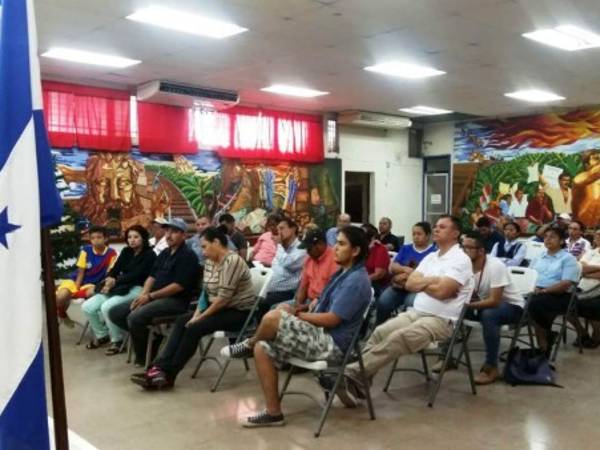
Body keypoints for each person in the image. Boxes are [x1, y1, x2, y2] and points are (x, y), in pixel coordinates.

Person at [220, 226, 371, 428]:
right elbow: (318, 304)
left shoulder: (355, 280)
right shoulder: (343, 273)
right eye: (336, 242)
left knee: (273, 317)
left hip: (332, 344)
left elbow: (332, 320)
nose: (335, 247)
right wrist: (299, 308)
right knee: (262, 347)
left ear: (356, 250)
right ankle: (274, 413)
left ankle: (248, 343)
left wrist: (296, 315)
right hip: (320, 335)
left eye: (342, 244)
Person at [340, 215, 473, 403]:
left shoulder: (461, 260)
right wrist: (433, 280)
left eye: (442, 227)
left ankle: (353, 372)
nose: (436, 229)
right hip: (416, 313)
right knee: (380, 332)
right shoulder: (431, 257)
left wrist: (423, 283)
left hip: (441, 320)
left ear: (455, 233)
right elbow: (410, 283)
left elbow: (443, 292)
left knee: (399, 337)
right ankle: (362, 379)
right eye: (436, 226)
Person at [131, 227, 255, 389]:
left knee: (194, 327)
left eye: (204, 246)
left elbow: (223, 300)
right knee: (182, 321)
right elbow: (205, 294)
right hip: (218, 309)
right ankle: (157, 369)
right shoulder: (210, 262)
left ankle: (168, 375)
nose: (203, 252)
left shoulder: (232, 261)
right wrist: (196, 314)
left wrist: (200, 318)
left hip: (238, 313)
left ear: (216, 242)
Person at [107, 218, 199, 366]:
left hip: (176, 301)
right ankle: (154, 337)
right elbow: (152, 276)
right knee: (115, 312)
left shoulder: (188, 256)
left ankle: (145, 357)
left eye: (174, 232)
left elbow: (178, 286)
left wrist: (150, 297)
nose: (168, 235)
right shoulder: (165, 253)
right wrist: (143, 294)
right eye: (167, 231)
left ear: (184, 235)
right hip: (154, 297)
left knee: (135, 317)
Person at [462, 231, 524, 384]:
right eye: (463, 247)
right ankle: (447, 356)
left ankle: (491, 367)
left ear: (481, 251)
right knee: (448, 308)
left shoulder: (496, 266)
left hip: (512, 307)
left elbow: (495, 301)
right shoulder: (463, 265)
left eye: (469, 248)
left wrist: (467, 305)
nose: (464, 251)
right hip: (483, 305)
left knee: (489, 314)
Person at [81, 225, 156, 354]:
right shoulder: (127, 251)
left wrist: (115, 281)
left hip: (138, 288)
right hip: (120, 287)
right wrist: (110, 278)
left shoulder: (150, 254)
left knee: (107, 307)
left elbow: (137, 275)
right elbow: (115, 268)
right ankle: (102, 336)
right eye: (129, 237)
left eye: (136, 237)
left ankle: (117, 340)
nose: (132, 240)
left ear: (143, 238)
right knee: (87, 306)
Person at [527, 225, 580, 356]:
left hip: (560, 295)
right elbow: (529, 275)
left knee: (534, 304)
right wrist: (532, 287)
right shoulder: (539, 256)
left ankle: (543, 343)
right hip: (537, 292)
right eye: (545, 237)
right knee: (528, 302)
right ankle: (546, 338)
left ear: (561, 241)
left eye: (552, 237)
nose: (547, 239)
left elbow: (565, 284)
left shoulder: (568, 259)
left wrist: (544, 290)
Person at [55, 225, 117, 328]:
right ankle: (63, 315)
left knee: (93, 294)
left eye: (99, 237)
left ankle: (99, 325)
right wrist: (76, 288)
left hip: (92, 283)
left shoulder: (111, 253)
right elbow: (81, 271)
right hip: (76, 280)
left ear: (105, 238)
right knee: (61, 296)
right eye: (92, 238)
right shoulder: (86, 250)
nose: (95, 240)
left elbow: (109, 273)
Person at [376, 221, 436, 325]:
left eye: (419, 234)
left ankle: (404, 330)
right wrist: (406, 270)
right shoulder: (406, 248)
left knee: (410, 304)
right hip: (399, 286)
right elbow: (393, 267)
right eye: (414, 234)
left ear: (427, 235)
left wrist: (407, 274)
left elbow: (430, 274)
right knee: (383, 301)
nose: (416, 237)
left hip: (418, 290)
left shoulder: (433, 252)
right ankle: (380, 327)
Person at [257, 218, 306, 316]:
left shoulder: (301, 248)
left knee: (262, 304)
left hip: (288, 293)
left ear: (293, 229)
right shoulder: (282, 248)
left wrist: (278, 245)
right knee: (250, 299)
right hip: (271, 290)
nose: (279, 232)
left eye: (282, 228)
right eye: (278, 229)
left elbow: (288, 263)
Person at [568, 229, 600, 348]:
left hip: (598, 291)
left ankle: (597, 335)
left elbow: (585, 270)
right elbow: (580, 267)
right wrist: (596, 269)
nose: (597, 237)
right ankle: (582, 333)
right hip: (581, 286)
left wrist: (587, 272)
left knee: (592, 306)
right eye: (596, 235)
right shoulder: (591, 252)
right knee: (565, 304)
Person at [294, 229, 339, 312]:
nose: (307, 252)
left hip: (323, 305)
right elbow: (303, 286)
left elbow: (330, 295)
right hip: (308, 301)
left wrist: (304, 308)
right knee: (277, 308)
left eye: (309, 249)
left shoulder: (335, 260)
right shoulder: (309, 260)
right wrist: (298, 305)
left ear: (320, 245)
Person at [362, 223, 391, 297]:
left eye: (363, 235)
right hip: (361, 280)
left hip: (376, 284)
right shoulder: (360, 249)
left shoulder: (380, 249)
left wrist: (360, 280)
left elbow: (378, 275)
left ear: (372, 237)